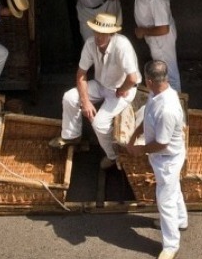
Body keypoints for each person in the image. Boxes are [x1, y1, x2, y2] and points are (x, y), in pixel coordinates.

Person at [119, 59, 188, 259]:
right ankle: (181, 220)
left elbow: (162, 143)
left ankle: (171, 245)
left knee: (165, 200)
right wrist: (134, 137)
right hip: (162, 157)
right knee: (173, 190)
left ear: (149, 80)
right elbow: (147, 118)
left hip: (167, 159)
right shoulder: (157, 94)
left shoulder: (167, 109)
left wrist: (139, 149)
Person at [52, 12, 141, 169]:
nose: (99, 37)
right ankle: (72, 136)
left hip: (122, 89)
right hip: (101, 85)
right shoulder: (90, 43)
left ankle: (113, 156)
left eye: (104, 34)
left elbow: (132, 78)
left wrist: (122, 88)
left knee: (99, 124)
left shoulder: (122, 45)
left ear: (112, 33)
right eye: (97, 32)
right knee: (69, 97)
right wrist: (85, 101)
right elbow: (81, 74)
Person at [131, 0, 181, 92]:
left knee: (168, 73)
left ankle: (177, 103)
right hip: (155, 37)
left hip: (161, 40)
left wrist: (143, 31)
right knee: (164, 70)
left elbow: (163, 29)